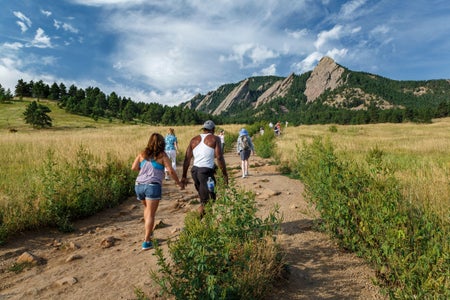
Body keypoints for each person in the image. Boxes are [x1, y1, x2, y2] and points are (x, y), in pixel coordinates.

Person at [132, 133, 184, 250]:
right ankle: (147, 241)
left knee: (147, 209)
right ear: (162, 143)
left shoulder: (142, 154)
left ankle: (148, 233)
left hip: (139, 185)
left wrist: (144, 169)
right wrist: (178, 183)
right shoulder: (162, 155)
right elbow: (170, 171)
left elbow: (134, 167)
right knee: (151, 213)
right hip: (152, 186)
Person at [181, 120, 228, 217]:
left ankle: (208, 224)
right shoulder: (215, 139)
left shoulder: (194, 139)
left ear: (203, 129)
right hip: (205, 173)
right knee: (207, 201)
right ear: (213, 129)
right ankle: (193, 225)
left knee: (206, 198)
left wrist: (184, 176)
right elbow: (219, 157)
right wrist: (224, 175)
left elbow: (187, 159)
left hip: (195, 172)